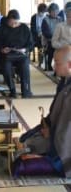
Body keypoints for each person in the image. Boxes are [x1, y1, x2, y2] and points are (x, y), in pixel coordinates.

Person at [19, 45, 71, 177]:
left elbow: (67, 127)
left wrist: (51, 133)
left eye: (57, 63)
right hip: (57, 132)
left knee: (25, 153)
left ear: (69, 64)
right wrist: (46, 125)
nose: (54, 67)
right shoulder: (65, 81)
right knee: (24, 140)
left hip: (65, 143)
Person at [0, 9, 33, 98]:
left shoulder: (24, 28)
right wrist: (2, 49)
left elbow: (30, 44)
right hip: (7, 55)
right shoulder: (2, 29)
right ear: (7, 21)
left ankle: (25, 90)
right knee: (6, 68)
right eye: (11, 23)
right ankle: (12, 90)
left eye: (16, 23)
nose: (13, 25)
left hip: (21, 55)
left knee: (25, 68)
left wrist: (25, 49)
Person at [42, 3, 62, 71]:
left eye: (56, 11)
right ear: (49, 12)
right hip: (49, 40)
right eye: (53, 11)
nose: (55, 13)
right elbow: (46, 33)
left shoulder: (60, 19)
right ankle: (50, 64)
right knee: (52, 47)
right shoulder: (45, 20)